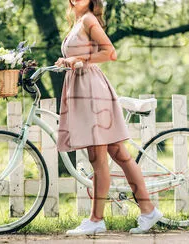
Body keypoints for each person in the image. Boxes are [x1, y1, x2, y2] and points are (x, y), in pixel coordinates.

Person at [54, 0, 163, 235]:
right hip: (84, 89)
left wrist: (79, 60)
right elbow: (82, 55)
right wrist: (67, 61)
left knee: (98, 157)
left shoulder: (88, 20)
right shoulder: (77, 22)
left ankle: (96, 220)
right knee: (120, 154)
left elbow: (109, 53)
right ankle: (148, 210)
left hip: (92, 92)